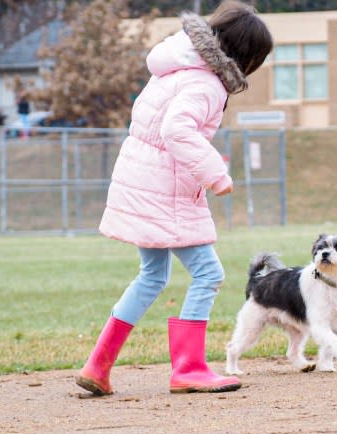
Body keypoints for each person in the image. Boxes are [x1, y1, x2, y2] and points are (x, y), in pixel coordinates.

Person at [75, 1, 273, 396]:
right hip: (166, 188)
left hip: (143, 179)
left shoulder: (178, 66)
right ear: (244, 54)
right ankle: (189, 368)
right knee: (208, 273)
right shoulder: (205, 83)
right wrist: (215, 173)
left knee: (152, 275)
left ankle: (98, 365)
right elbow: (176, 130)